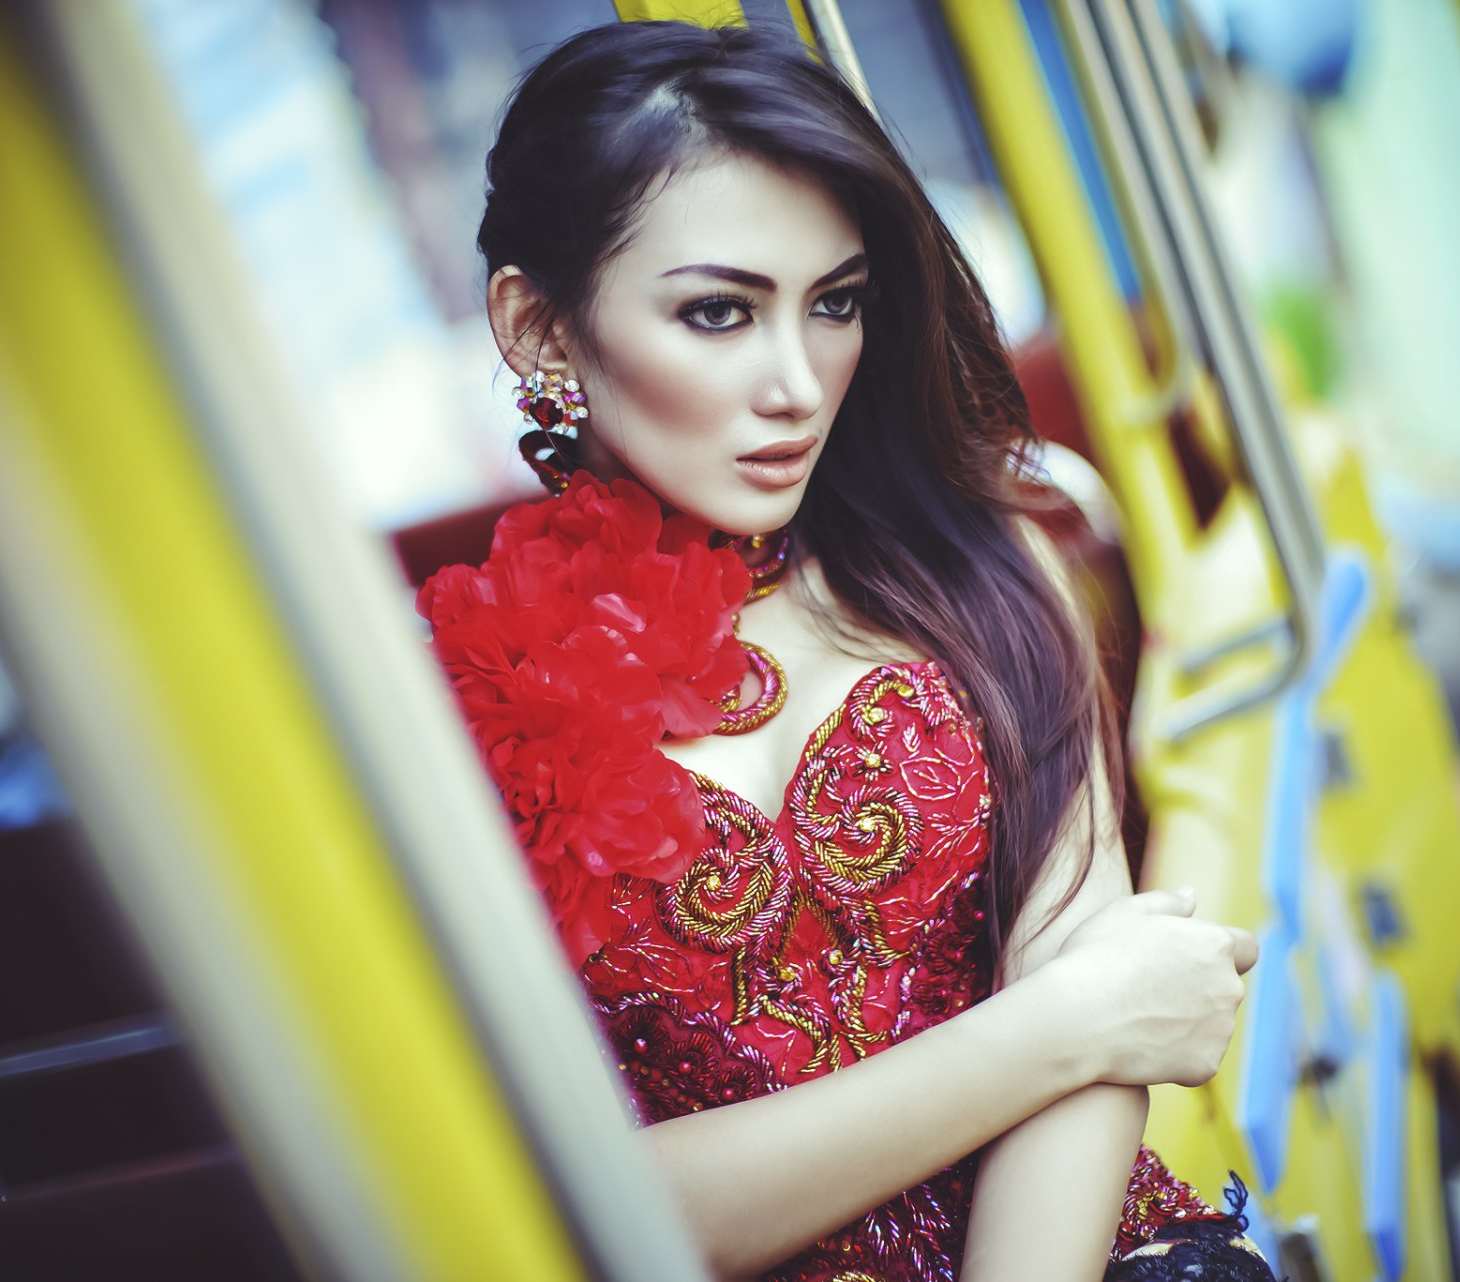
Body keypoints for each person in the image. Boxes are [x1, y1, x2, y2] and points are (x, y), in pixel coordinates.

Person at [420, 20, 1275, 1282]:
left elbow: (1087, 1029)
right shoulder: (449, 718)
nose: (798, 383)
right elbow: (582, 1210)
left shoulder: (980, 567)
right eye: (718, 312)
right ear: (539, 329)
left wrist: (1083, 1022)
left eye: (834, 303)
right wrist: (1072, 1022)